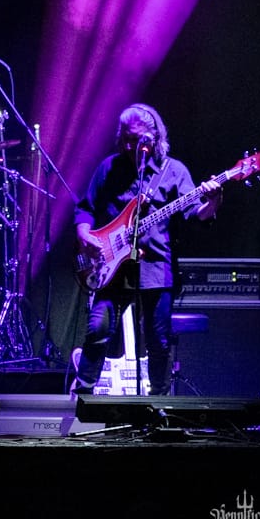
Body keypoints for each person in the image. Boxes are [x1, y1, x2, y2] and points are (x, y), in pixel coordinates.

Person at [72, 103, 222, 396]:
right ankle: (83, 393)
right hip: (111, 267)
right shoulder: (109, 168)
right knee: (98, 328)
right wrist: (84, 234)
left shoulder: (174, 171)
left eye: (137, 139)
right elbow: (85, 208)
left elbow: (195, 214)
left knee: (158, 341)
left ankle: (159, 402)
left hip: (155, 267)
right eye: (125, 138)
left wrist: (214, 201)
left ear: (154, 138)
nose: (130, 145)